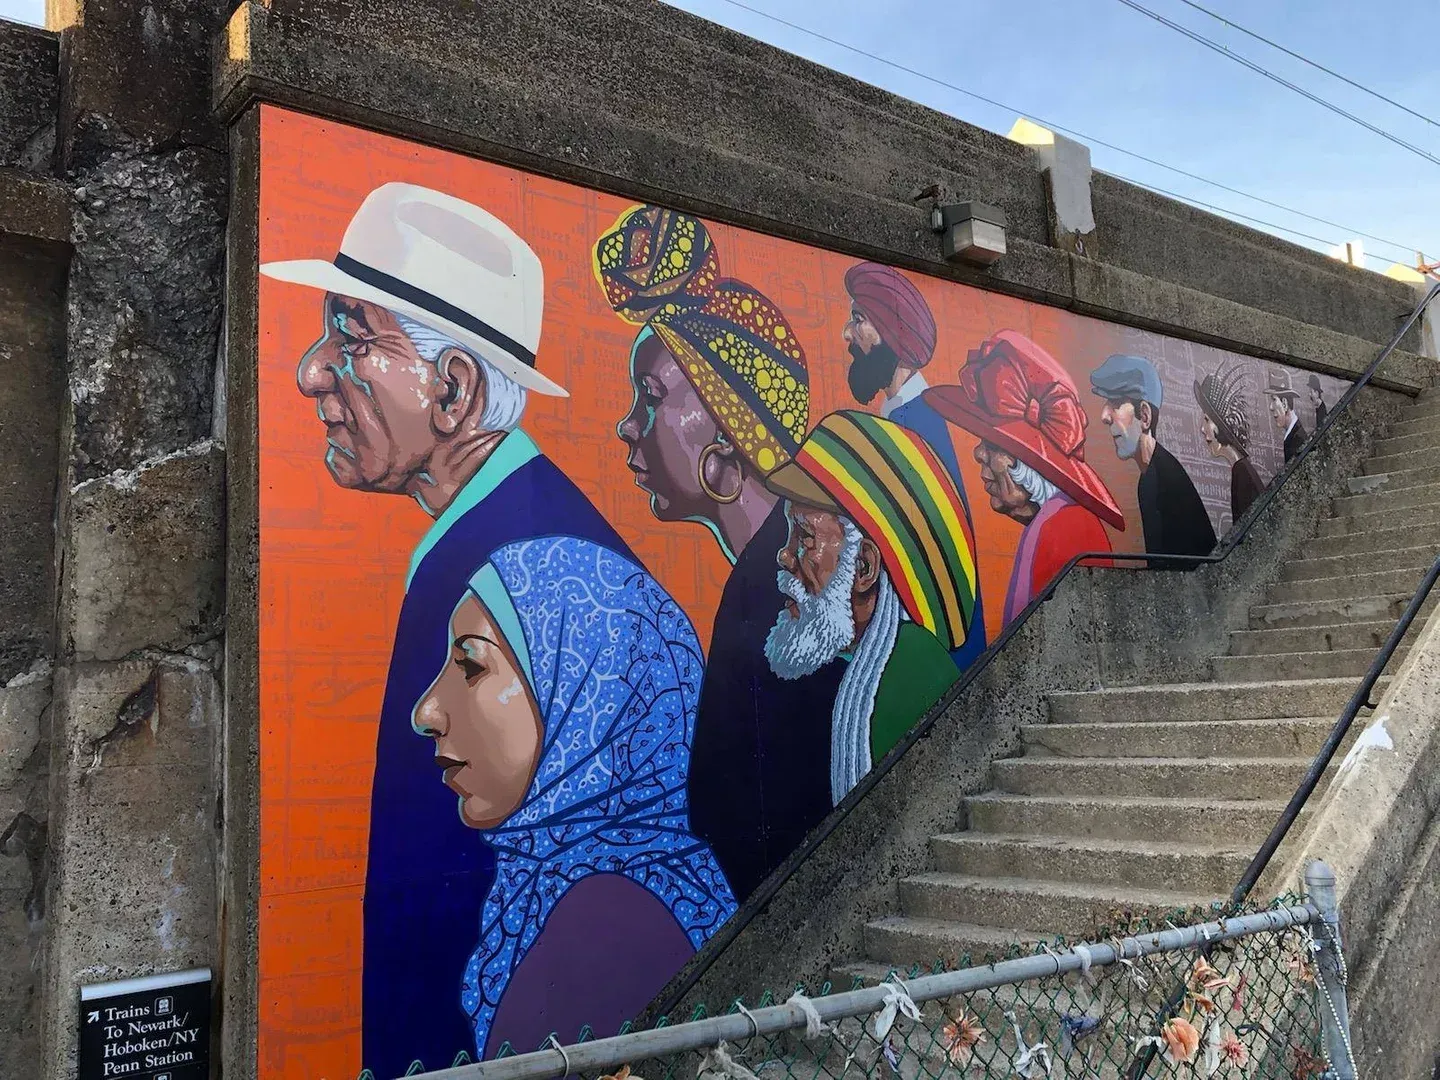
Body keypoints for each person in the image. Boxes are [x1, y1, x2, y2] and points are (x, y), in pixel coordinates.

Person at [262, 182, 636, 1076]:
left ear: (455, 389)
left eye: (352, 339)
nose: (313, 371)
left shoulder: (517, 564)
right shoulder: (493, 533)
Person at [594, 204, 846, 901]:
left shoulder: (787, 598)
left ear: (729, 435)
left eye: (650, 398)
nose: (626, 425)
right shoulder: (773, 575)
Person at [412, 536, 736, 1058]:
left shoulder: (609, 913)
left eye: (470, 666)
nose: (426, 712)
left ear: (591, 692)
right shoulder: (574, 882)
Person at [762, 411, 976, 804]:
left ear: (863, 567)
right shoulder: (855, 666)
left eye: (804, 537)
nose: (784, 556)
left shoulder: (910, 674)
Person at [841, 262, 988, 668]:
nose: (847, 334)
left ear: (893, 336)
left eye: (859, 320)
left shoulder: (916, 425)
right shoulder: (902, 418)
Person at [925, 331, 1125, 621]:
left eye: (992, 445)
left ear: (1028, 465)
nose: (979, 455)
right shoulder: (1053, 520)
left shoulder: (1065, 527)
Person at [1090, 354, 1217, 557]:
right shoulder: (1152, 475)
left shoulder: (1162, 480)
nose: (1104, 416)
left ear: (1145, 416)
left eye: (1115, 403)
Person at [1195, 363, 1265, 525]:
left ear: (1221, 426)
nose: (1202, 428)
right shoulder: (1241, 469)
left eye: (1207, 420)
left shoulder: (1242, 474)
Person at [1268, 367, 1308, 463]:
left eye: (1274, 400)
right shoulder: (1293, 435)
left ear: (1285, 404)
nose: (1271, 407)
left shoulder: (1298, 439)